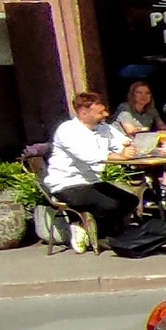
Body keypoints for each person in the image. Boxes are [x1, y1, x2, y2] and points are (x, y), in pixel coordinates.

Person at [46, 91, 138, 248]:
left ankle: (103, 231)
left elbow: (123, 142)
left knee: (131, 200)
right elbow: (89, 156)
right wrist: (120, 156)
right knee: (110, 205)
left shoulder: (104, 128)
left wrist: (130, 147)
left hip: (93, 181)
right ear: (83, 112)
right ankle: (96, 234)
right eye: (100, 112)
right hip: (68, 184)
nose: (106, 114)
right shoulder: (68, 130)